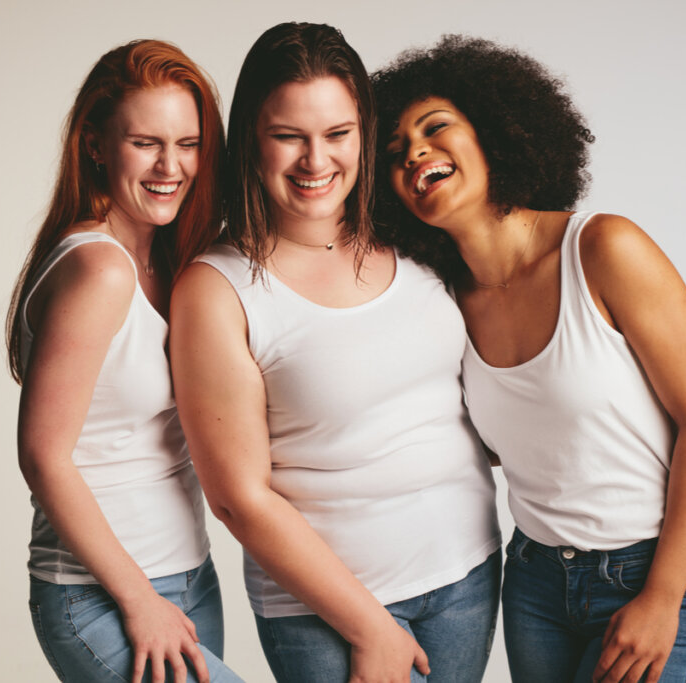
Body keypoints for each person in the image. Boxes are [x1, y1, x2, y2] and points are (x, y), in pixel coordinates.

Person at [372, 35, 686, 683]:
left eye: (435, 127)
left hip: (650, 570)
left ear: (494, 133)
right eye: (394, 152)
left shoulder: (604, 249)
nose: (415, 151)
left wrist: (663, 594)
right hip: (534, 582)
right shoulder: (446, 302)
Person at [170, 23, 501, 683]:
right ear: (252, 143)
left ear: (365, 133)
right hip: (324, 613)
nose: (315, 161)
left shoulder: (416, 237)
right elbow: (237, 495)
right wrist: (368, 625)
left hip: (466, 575)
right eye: (288, 136)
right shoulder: (218, 287)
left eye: (337, 135)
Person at [5, 40, 242, 683]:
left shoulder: (168, 258)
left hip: (188, 574)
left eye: (188, 144)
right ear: (95, 143)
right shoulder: (99, 268)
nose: (171, 166)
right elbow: (42, 456)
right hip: (102, 594)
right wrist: (140, 601)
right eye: (146, 143)